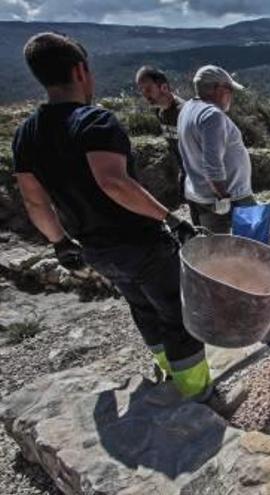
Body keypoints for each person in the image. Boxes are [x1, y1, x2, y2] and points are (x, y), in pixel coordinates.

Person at [11, 32, 213, 401]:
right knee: (176, 314)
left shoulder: (26, 134)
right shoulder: (94, 121)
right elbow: (113, 183)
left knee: (143, 309)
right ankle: (199, 395)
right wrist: (171, 219)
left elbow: (35, 201)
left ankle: (169, 376)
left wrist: (59, 244)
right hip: (139, 243)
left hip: (94, 249)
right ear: (80, 70)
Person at [177, 65, 254, 233]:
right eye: (229, 89)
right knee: (259, 244)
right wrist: (223, 197)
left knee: (217, 251)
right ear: (217, 88)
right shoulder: (212, 115)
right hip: (230, 196)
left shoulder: (187, 108)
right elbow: (212, 163)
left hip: (199, 193)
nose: (231, 95)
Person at [135, 66, 187, 201]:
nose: (145, 95)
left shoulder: (184, 112)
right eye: (141, 90)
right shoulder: (160, 112)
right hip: (185, 173)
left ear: (163, 87)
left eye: (148, 89)